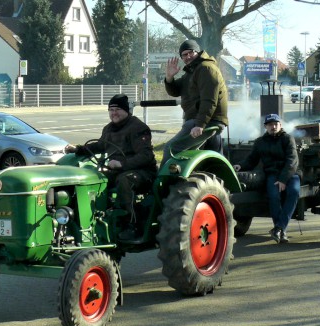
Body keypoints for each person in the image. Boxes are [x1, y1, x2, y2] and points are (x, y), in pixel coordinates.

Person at [65, 94, 157, 240]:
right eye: (111, 109)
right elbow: (100, 145)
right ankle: (94, 219)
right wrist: (79, 149)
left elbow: (145, 156)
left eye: (118, 109)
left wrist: (122, 164)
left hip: (143, 172)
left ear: (126, 111)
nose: (114, 113)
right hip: (117, 170)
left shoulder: (138, 128)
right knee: (94, 180)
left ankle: (132, 225)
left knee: (125, 181)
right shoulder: (109, 128)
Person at [233, 114, 300, 244]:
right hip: (272, 174)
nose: (273, 127)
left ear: (280, 125)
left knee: (294, 191)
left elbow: (292, 161)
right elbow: (252, 160)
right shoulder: (260, 142)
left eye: (276, 124)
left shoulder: (288, 139)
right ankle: (280, 230)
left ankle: (279, 228)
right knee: (273, 196)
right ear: (265, 127)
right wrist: (240, 165)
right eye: (270, 125)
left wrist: (283, 180)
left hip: (290, 174)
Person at [161, 39, 228, 166]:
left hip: (206, 121)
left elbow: (209, 100)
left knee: (171, 148)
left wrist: (200, 124)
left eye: (190, 52)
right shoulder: (192, 71)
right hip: (198, 121)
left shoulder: (206, 68)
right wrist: (169, 78)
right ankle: (180, 180)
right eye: (184, 55)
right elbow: (175, 91)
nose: (187, 57)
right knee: (186, 154)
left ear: (198, 52)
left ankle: (160, 183)